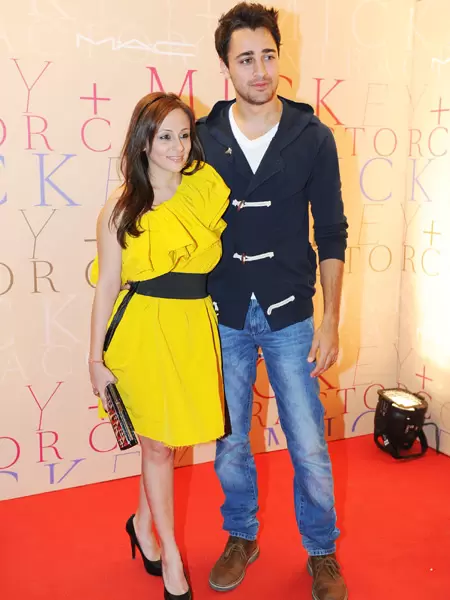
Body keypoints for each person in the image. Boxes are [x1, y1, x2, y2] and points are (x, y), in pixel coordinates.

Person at [196, 3, 349, 599]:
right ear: (226, 67)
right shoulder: (202, 138)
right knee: (230, 439)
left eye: (268, 56)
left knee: (308, 443)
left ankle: (321, 549)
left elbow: (331, 232)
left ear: (279, 57)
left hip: (290, 312)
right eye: (245, 59)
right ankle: (241, 535)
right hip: (224, 309)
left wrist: (331, 320)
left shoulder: (313, 137)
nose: (259, 71)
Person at [88, 91, 230, 600]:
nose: (177, 146)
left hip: (192, 327)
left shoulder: (204, 188)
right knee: (157, 446)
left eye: (184, 135)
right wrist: (94, 358)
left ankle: (140, 523)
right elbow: (108, 285)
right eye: (165, 136)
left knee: (170, 443)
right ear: (143, 141)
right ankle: (170, 553)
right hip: (142, 332)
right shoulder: (121, 207)